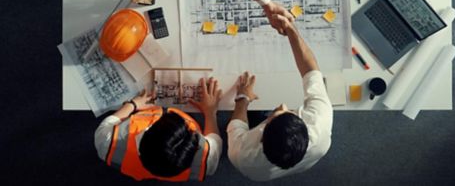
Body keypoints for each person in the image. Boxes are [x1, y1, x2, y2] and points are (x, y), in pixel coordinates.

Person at [227, 14, 333, 181]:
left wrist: (243, 98)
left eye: (274, 116)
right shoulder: (319, 123)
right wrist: (291, 30)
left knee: (251, 116)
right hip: (301, 160)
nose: (283, 105)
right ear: (305, 127)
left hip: (258, 173)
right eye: (288, 112)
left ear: (261, 136)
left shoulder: (241, 156)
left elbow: (236, 127)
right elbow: (310, 69)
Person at [94, 77, 223, 181]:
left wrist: (133, 104)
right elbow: (215, 140)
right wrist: (210, 112)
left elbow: (106, 125)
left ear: (149, 130)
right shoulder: (207, 160)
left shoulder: (106, 142)